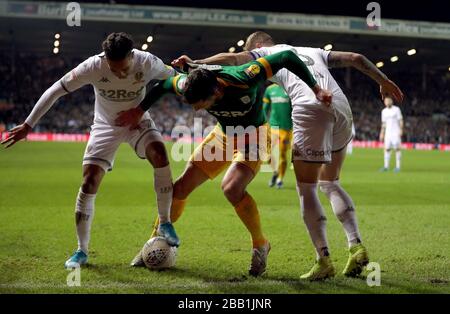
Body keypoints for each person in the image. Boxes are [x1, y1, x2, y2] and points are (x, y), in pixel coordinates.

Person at [172, 31, 404, 280]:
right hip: (341, 106)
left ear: (258, 46)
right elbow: (356, 58)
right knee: (330, 182)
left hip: (311, 106)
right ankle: (355, 245)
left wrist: (197, 64)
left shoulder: (265, 53)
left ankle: (323, 259)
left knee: (307, 189)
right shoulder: (316, 51)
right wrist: (384, 81)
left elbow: (232, 59)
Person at [115, 50, 332, 276]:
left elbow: (287, 56)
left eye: (201, 104)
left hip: (254, 135)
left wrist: (316, 89)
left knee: (232, 188)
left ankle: (260, 245)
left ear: (217, 90)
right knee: (179, 188)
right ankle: (153, 244)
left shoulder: (244, 77)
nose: (197, 109)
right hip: (224, 135)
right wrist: (138, 111)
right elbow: (164, 85)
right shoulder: (190, 83)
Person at [1, 32, 180, 268]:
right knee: (89, 182)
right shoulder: (93, 66)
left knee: (159, 152)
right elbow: (56, 89)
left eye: (123, 68)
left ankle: (165, 222)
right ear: (105, 58)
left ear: (132, 56)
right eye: (113, 68)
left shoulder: (147, 62)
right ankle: (81, 251)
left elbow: (174, 79)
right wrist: (28, 124)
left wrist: (191, 74)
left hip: (138, 122)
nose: (118, 73)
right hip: (105, 125)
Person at [263, 83, 293, 189]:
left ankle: (280, 179)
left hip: (287, 128)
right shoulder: (270, 89)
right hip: (273, 127)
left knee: (282, 155)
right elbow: (265, 108)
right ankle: (275, 171)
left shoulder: (290, 88)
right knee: (268, 155)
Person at [379, 96, 403, 172]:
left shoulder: (396, 109)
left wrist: (401, 130)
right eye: (386, 101)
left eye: (389, 100)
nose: (387, 102)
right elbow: (383, 124)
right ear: (384, 102)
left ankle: (398, 167)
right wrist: (382, 133)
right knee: (387, 149)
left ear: (392, 101)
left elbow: (401, 120)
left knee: (397, 149)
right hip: (387, 133)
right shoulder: (383, 111)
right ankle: (386, 166)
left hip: (395, 132)